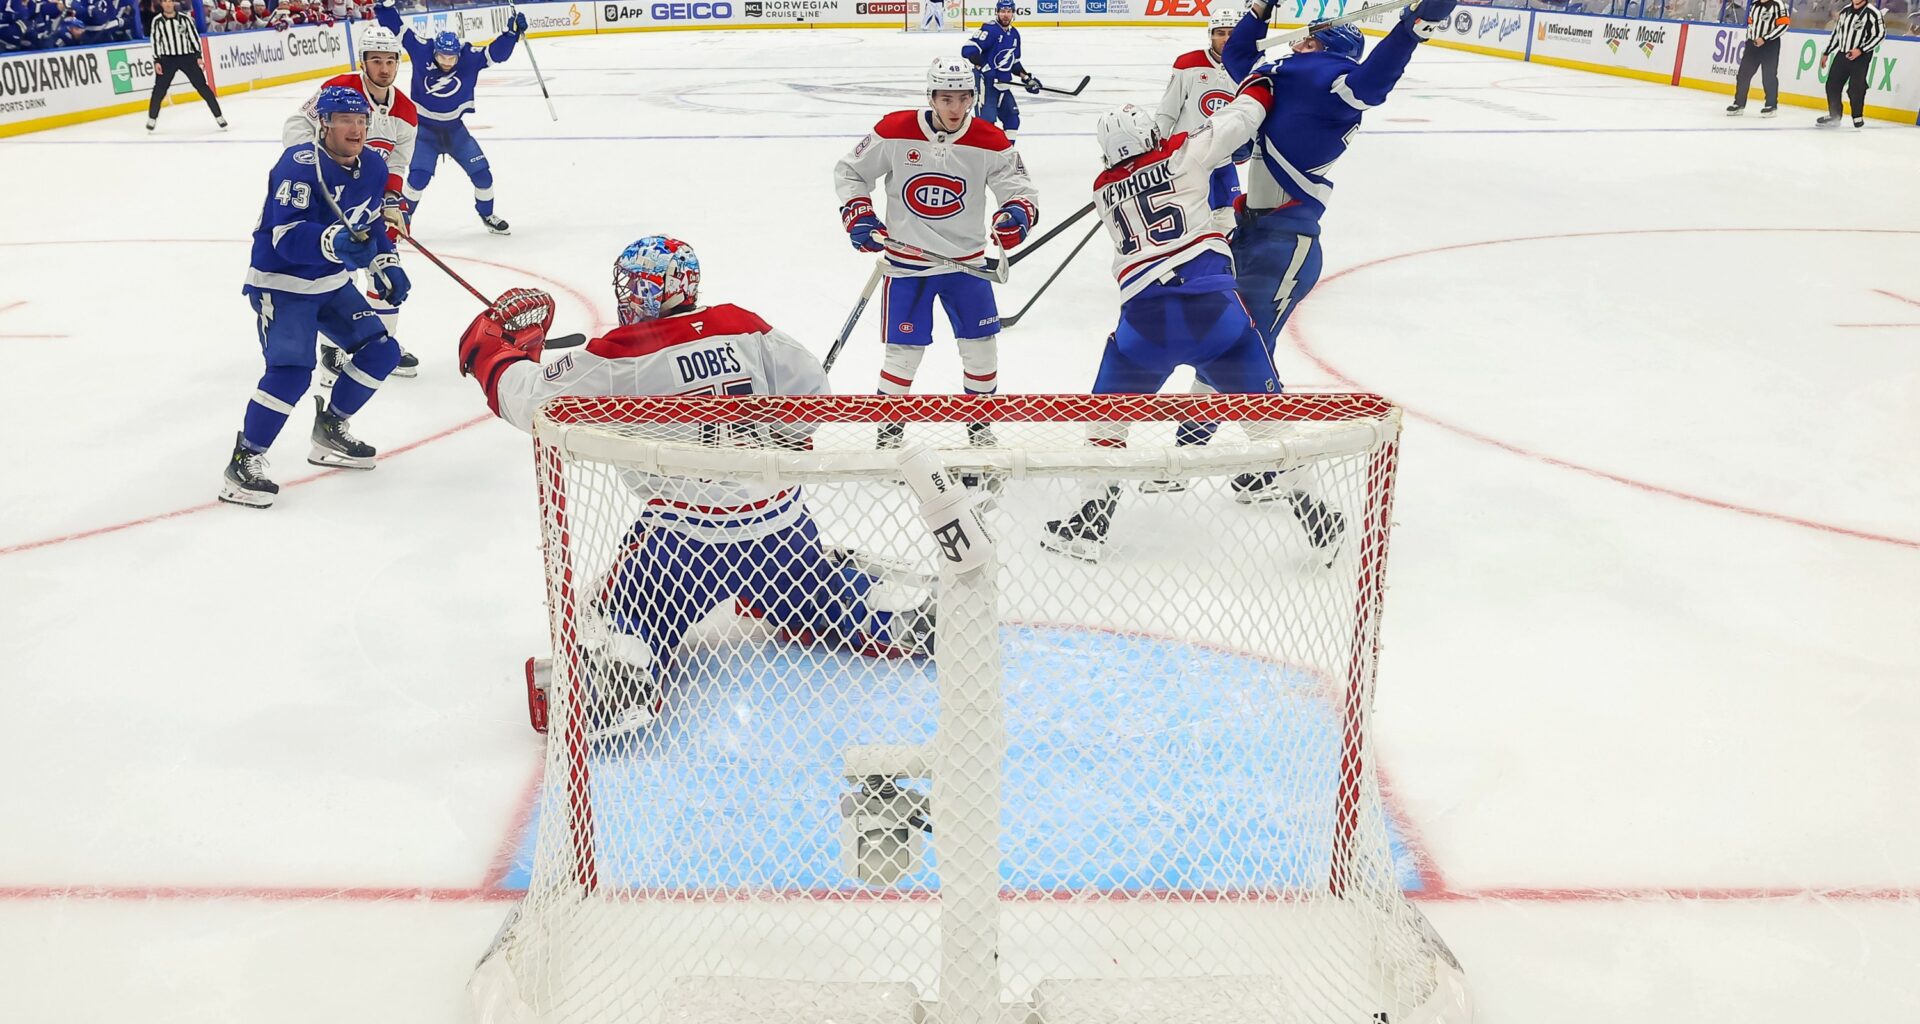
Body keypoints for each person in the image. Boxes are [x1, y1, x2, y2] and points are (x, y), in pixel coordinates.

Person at [454, 237, 938, 739]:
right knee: (814, 591)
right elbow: (812, 397)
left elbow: (532, 403)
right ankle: (889, 610)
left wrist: (495, 352)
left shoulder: (622, 354)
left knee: (618, 611)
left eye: (633, 283)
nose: (625, 293)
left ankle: (622, 675)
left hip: (682, 541)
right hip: (782, 527)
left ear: (655, 288)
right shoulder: (745, 326)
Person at [1041, 95, 1340, 561]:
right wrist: (1260, 84)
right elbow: (1240, 120)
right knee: (1266, 421)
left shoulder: (1103, 188)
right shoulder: (1182, 153)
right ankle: (1317, 517)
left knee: (1108, 421)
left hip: (1145, 325)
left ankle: (1090, 523)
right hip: (1216, 316)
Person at [1213, 0, 1453, 502]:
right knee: (1223, 340)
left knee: (1243, 349)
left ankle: (1281, 472)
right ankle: (1200, 449)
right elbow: (1236, 56)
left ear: (1329, 47)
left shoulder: (1330, 78)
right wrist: (1260, 10)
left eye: (1309, 38)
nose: (1299, 40)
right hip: (1256, 234)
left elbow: (1374, 84)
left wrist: (1414, 28)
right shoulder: (1285, 74)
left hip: (1286, 243)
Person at [831, 56, 1039, 456]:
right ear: (931, 96)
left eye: (963, 98)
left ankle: (979, 430)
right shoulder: (894, 130)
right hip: (908, 266)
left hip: (968, 265)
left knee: (981, 349)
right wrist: (858, 213)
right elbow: (850, 171)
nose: (955, 109)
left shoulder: (990, 140)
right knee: (903, 355)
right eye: (946, 98)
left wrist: (1015, 214)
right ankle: (888, 436)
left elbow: (1021, 189)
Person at [219, 86, 411, 508]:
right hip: (282, 283)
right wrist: (333, 242)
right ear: (324, 125)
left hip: (330, 284)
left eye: (361, 120)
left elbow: (371, 223)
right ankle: (244, 460)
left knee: (382, 351)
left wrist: (385, 262)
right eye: (345, 120)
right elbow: (286, 239)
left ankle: (331, 428)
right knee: (291, 372)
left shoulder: (375, 168)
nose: (356, 128)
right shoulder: (299, 166)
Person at [283, 26, 422, 375]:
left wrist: (392, 200)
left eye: (390, 60)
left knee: (385, 269)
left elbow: (398, 161)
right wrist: (310, 167)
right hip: (329, 199)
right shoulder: (338, 89)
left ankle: (383, 344)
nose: (384, 68)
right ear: (363, 62)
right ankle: (333, 348)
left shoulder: (405, 112)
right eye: (376, 60)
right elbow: (297, 124)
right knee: (338, 269)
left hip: (369, 201)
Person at [374, 0, 523, 234]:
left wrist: (511, 35)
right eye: (442, 57)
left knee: (483, 175)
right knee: (418, 178)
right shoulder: (422, 49)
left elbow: (496, 54)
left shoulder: (468, 58)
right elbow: (397, 28)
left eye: (451, 58)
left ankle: (487, 215)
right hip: (424, 132)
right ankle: (404, 218)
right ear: (435, 51)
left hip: (455, 131)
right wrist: (383, 8)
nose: (447, 62)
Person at [1154, 6, 1250, 234]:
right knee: (1186, 223)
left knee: (1228, 222)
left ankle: (1226, 267)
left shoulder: (1250, 68)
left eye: (1231, 33)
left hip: (1223, 160)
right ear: (1211, 35)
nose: (1226, 39)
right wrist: (1157, 149)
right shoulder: (1188, 64)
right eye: (1220, 32)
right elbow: (1167, 111)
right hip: (1187, 158)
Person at [145, 0, 226, 132]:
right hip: (167, 59)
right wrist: (157, 60)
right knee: (159, 90)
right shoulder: (157, 21)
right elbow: (155, 41)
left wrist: (198, 56)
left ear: (173, 3)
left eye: (170, 1)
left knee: (202, 87)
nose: (168, 4)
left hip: (187, 57)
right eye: (165, 2)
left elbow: (193, 37)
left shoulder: (185, 19)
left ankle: (219, 116)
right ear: (161, 4)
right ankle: (152, 118)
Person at [961, 0, 1036, 139]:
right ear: (997, 12)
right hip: (986, 85)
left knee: (1012, 120)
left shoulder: (1014, 34)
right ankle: (985, 157)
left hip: (1003, 84)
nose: (1005, 15)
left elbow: (1013, 62)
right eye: (1002, 11)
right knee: (986, 125)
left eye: (1008, 12)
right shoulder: (989, 30)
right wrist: (985, 68)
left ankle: (1007, 154)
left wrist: (1026, 77)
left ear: (1014, 13)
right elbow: (968, 50)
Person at [1818, 0, 1884, 127]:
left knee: (1856, 87)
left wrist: (1861, 50)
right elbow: (1837, 34)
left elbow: (1880, 35)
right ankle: (1835, 115)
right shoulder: (1845, 11)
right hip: (1842, 54)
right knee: (1832, 85)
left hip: (1861, 56)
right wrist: (1826, 52)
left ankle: (1857, 115)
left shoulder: (1873, 13)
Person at [1727, 0, 1789, 116]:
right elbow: (1751, 24)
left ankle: (1771, 105)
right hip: (1752, 45)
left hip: (1770, 45)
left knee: (1769, 76)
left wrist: (1765, 38)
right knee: (1743, 74)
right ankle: (1739, 103)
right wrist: (1749, 40)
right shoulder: (1754, 4)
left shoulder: (1778, 4)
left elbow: (1784, 25)